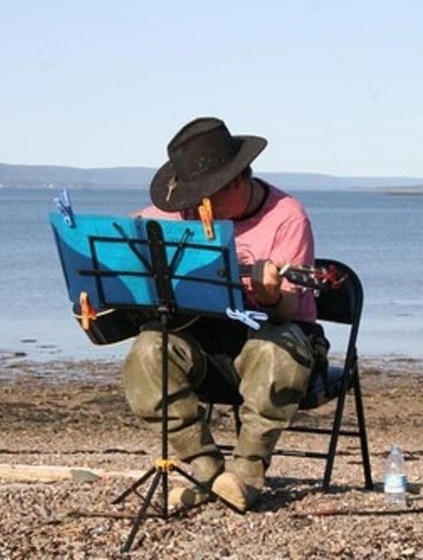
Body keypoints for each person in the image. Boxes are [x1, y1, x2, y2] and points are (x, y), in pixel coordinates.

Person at [121, 116, 326, 512]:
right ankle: (202, 465)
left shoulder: (287, 216)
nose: (199, 209)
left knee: (272, 352)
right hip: (201, 340)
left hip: (275, 337)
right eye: (191, 199)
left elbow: (289, 307)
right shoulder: (173, 215)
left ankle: (247, 472)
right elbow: (128, 253)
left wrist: (269, 295)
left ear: (238, 180)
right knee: (148, 350)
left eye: (207, 197)